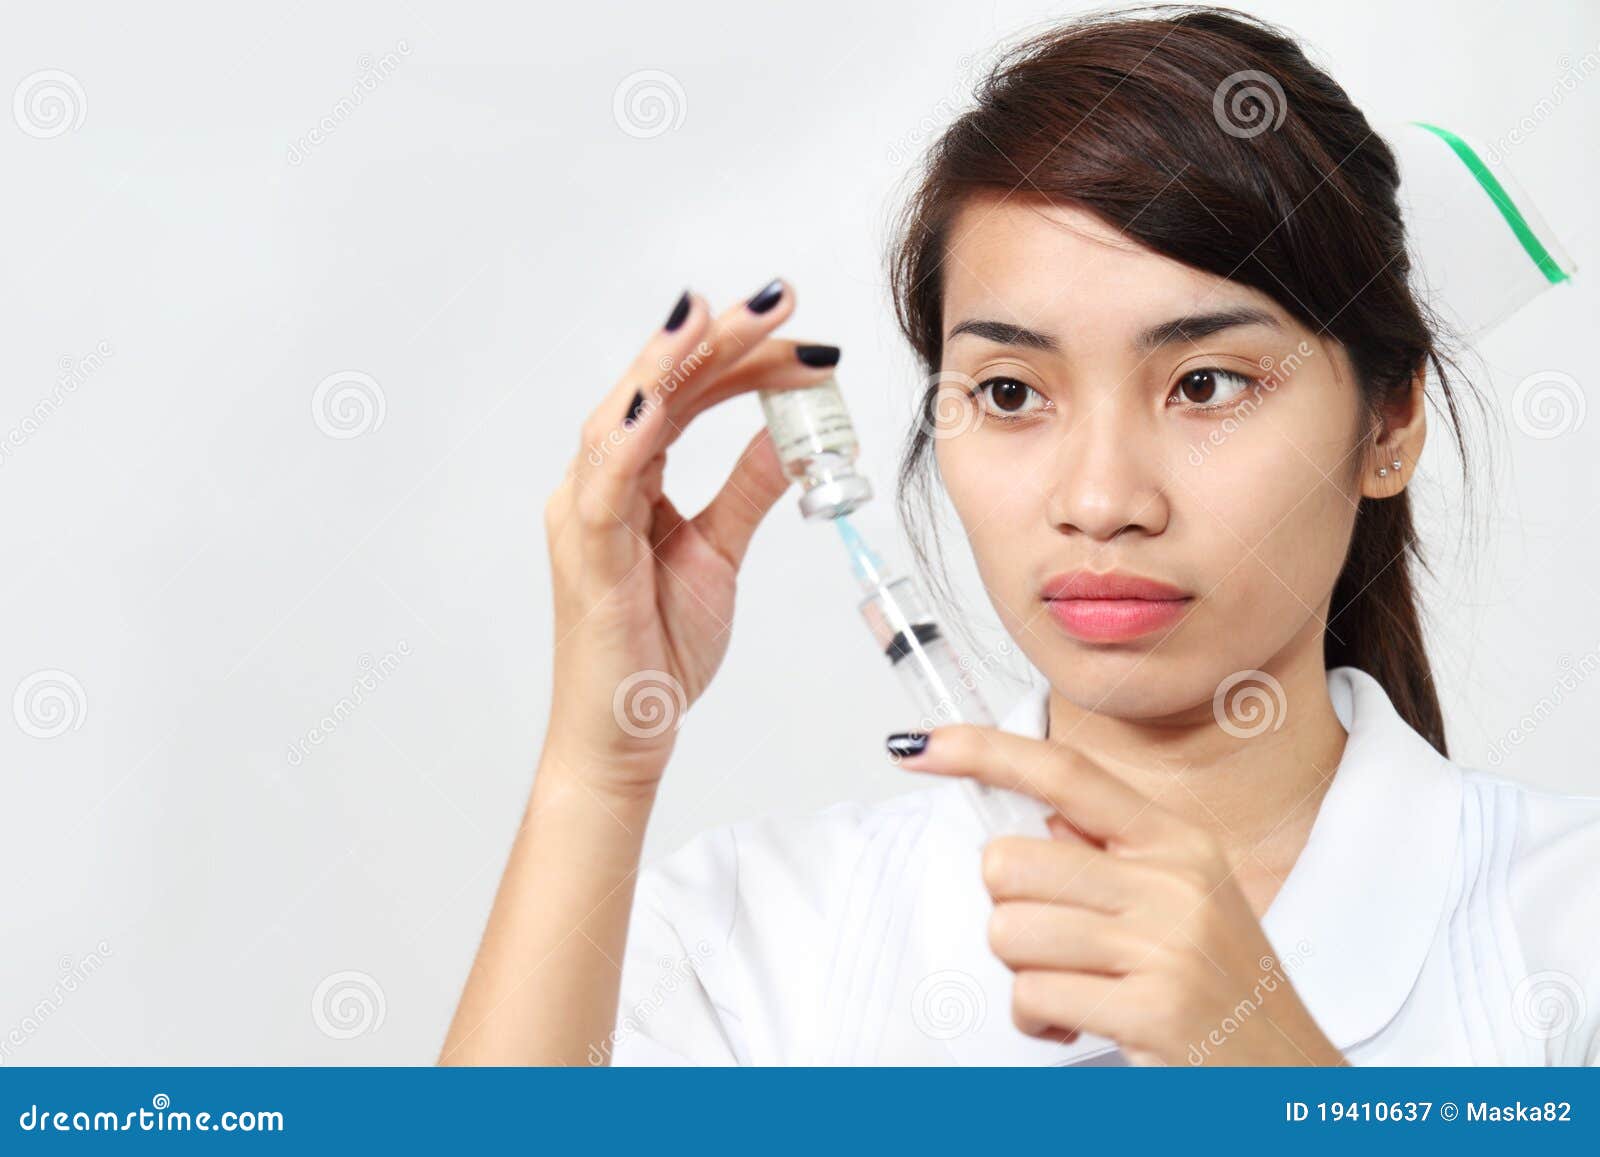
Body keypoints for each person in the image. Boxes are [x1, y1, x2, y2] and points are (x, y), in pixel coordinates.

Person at [440, 5, 1600, 1066]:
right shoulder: (755, 933)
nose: (1101, 499)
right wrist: (599, 765)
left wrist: (1265, 1061)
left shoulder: (1566, 924)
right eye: (1008, 393)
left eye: (1203, 382)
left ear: (1387, 421)